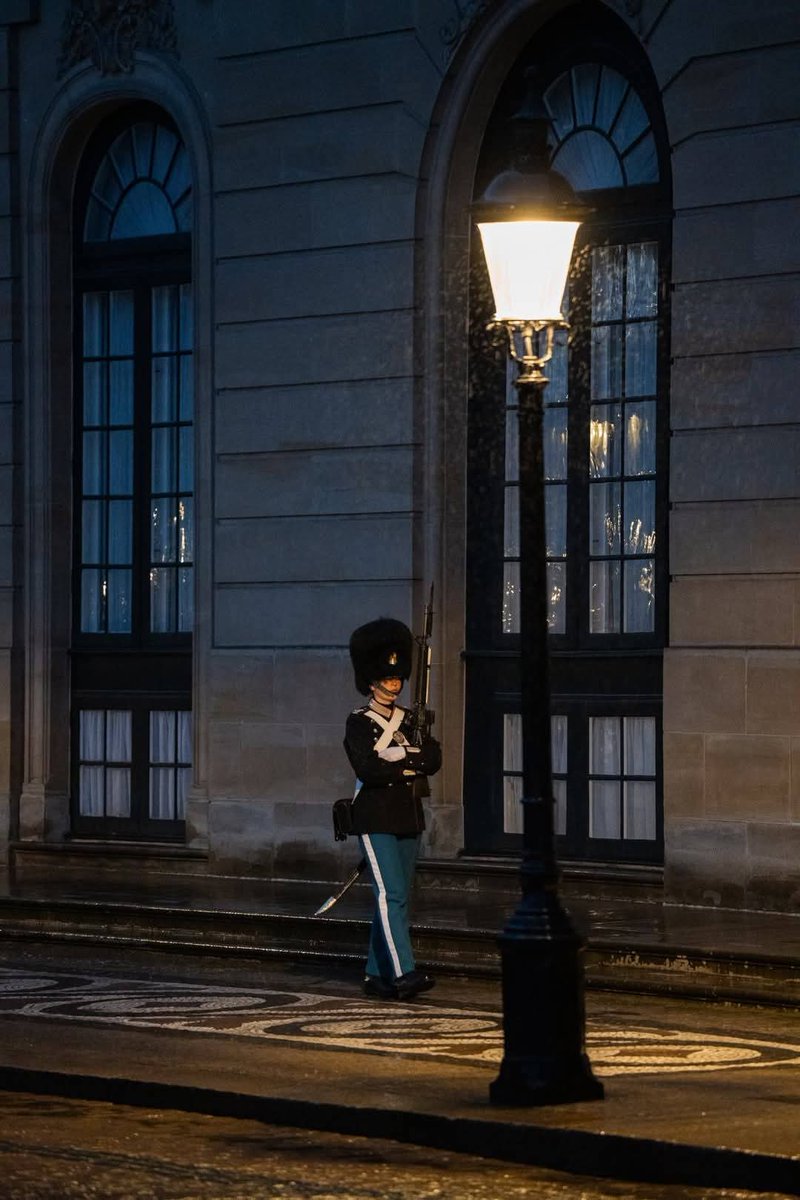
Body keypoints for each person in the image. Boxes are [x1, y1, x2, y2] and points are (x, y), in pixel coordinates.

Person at [344, 617, 441, 1000]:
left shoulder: (410, 719)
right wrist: (407, 759)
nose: (394, 683)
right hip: (375, 815)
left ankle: (374, 973)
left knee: (397, 895)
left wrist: (399, 756)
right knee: (392, 895)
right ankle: (404, 973)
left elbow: (432, 758)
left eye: (397, 677)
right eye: (387, 678)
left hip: (407, 813)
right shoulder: (359, 722)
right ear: (371, 681)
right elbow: (367, 767)